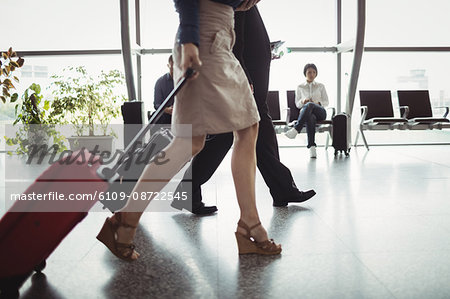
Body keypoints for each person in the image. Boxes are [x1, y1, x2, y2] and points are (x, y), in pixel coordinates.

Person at [96, 0, 281, 261]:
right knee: (243, 128)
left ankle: (125, 223)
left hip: (216, 34)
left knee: (194, 141)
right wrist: (190, 38)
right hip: (204, 38)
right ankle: (249, 225)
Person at [171, 5, 316, 215]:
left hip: (249, 68)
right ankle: (185, 190)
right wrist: (244, 73)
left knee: (253, 126)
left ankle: (281, 188)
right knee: (232, 132)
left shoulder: (247, 7)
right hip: (240, 68)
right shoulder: (238, 5)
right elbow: (232, 33)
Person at [285, 63, 329, 158]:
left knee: (310, 105)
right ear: (305, 73)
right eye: (309, 72)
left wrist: (317, 104)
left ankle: (296, 129)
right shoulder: (300, 87)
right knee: (310, 116)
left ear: (316, 74)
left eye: (314, 72)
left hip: (320, 112)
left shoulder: (321, 86)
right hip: (307, 114)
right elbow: (297, 104)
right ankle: (312, 148)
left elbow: (326, 102)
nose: (311, 74)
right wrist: (303, 101)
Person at [153, 55, 174, 125]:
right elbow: (157, 104)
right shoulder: (160, 82)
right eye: (172, 68)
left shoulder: (186, 81)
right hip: (166, 117)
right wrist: (167, 110)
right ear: (168, 66)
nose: (175, 71)